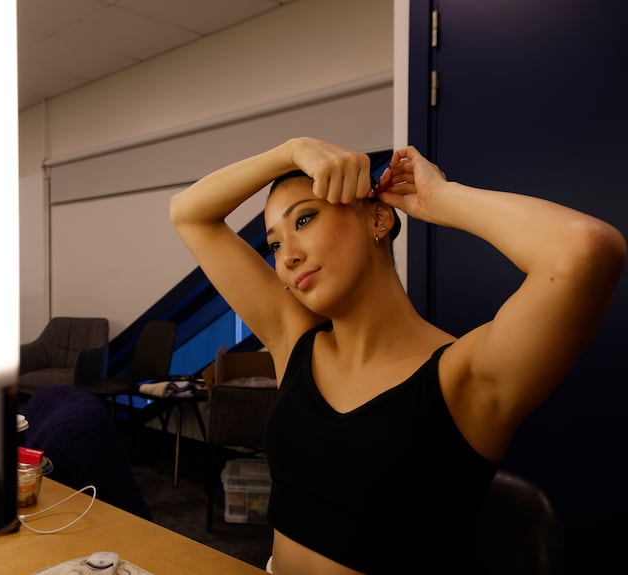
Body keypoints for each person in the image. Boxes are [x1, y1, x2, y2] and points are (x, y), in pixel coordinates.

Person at [169, 137, 626, 575]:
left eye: (304, 220)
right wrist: (290, 151)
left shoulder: (464, 376)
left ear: (378, 219)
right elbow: (189, 214)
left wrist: (439, 198)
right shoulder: (295, 339)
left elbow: (585, 250)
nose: (287, 256)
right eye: (274, 244)